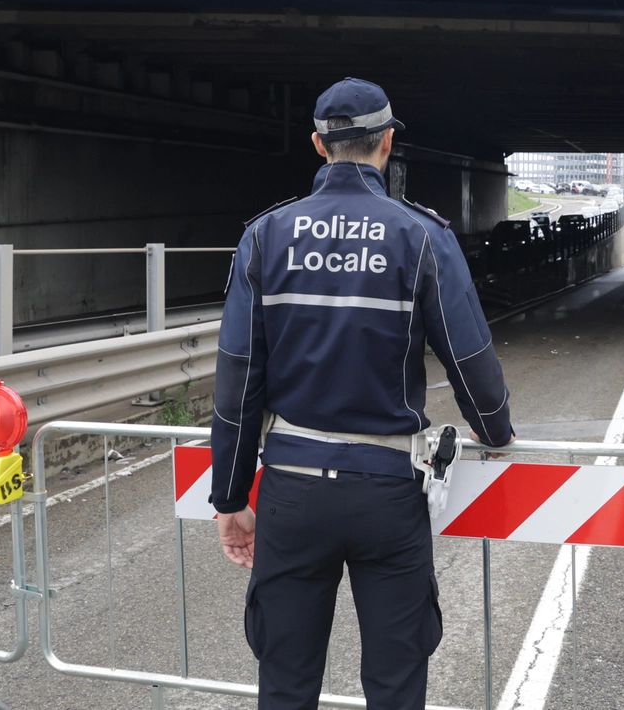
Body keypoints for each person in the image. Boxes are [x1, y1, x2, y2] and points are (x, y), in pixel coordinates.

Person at [209, 76, 515, 710]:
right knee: (396, 686)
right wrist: (495, 430)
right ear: (389, 142)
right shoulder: (422, 235)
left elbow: (239, 380)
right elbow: (470, 359)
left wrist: (231, 497)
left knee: (286, 684)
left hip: (291, 494)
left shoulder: (265, 236)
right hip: (388, 494)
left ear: (318, 145)